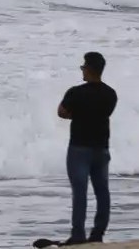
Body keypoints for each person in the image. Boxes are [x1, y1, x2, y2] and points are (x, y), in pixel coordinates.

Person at [57, 51, 117, 244]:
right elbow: (104, 112)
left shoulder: (76, 92)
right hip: (101, 148)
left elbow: (62, 112)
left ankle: (78, 235)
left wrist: (77, 114)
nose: (82, 70)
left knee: (80, 192)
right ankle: (98, 234)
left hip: (79, 148)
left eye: (83, 67)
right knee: (102, 191)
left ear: (89, 69)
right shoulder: (110, 94)